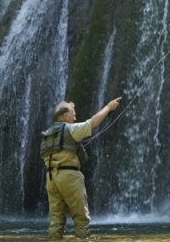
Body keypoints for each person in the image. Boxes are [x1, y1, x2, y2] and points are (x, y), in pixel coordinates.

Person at [41, 97, 122, 240]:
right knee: (81, 218)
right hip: (69, 177)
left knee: (56, 221)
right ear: (66, 116)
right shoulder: (70, 128)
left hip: (51, 178)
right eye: (73, 114)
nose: (75, 116)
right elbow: (93, 122)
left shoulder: (47, 134)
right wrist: (109, 107)